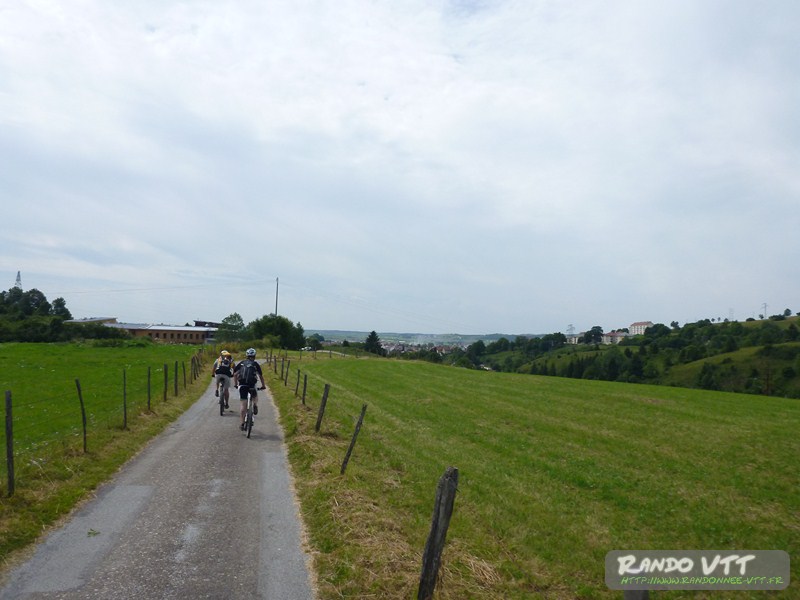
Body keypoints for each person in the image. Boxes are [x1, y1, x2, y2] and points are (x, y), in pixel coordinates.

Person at [233, 348, 266, 430]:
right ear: (254, 356)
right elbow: (260, 376)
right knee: (255, 395)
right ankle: (255, 405)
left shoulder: (241, 363)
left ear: (247, 355)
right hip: (251, 384)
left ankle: (242, 423)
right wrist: (263, 386)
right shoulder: (255, 364)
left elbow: (235, 374)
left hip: (242, 385)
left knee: (243, 405)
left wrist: (236, 384)